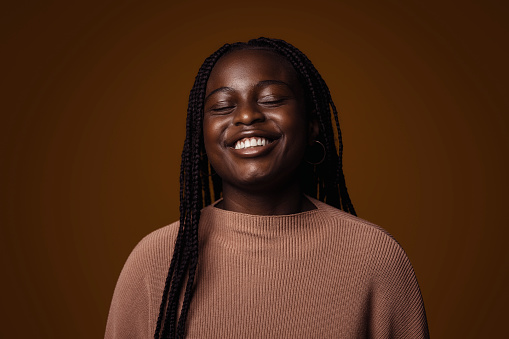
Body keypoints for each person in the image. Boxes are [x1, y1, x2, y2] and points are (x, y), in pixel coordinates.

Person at [105, 37, 429, 339]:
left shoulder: (375, 257)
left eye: (271, 99)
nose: (247, 115)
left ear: (311, 123)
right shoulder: (156, 260)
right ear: (200, 135)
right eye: (221, 106)